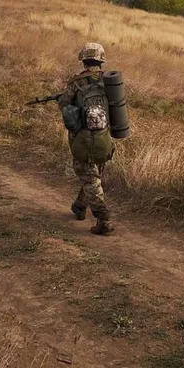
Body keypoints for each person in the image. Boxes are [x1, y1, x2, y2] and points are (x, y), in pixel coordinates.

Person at [57, 42, 116, 235]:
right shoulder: (110, 82)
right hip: (105, 139)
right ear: (101, 60)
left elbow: (64, 104)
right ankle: (80, 206)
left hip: (84, 139)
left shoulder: (76, 82)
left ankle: (103, 219)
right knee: (92, 173)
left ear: (83, 60)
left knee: (88, 175)